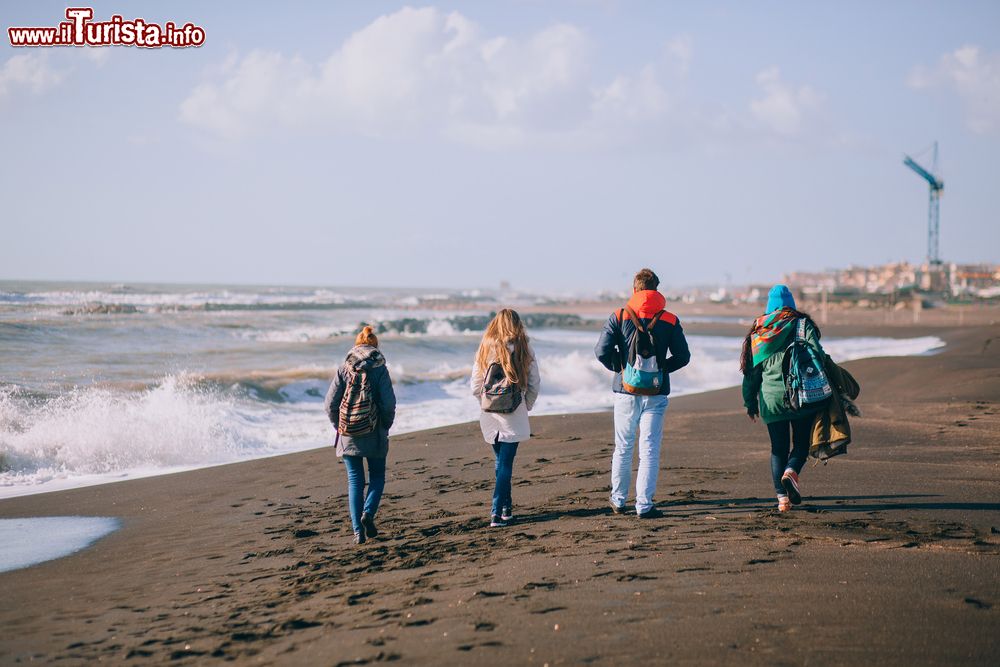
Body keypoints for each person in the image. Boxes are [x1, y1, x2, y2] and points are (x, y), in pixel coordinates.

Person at [595, 268, 690, 518]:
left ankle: (618, 500)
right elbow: (683, 356)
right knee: (649, 449)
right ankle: (644, 505)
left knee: (623, 447)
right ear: (657, 289)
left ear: (634, 289)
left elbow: (601, 351)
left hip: (625, 390)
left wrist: (620, 367)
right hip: (656, 393)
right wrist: (662, 370)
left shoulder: (619, 315)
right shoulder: (669, 319)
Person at [741, 285, 827, 512]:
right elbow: (817, 355)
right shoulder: (802, 324)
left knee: (778, 448)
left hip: (771, 401)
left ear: (769, 306)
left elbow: (751, 374)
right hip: (802, 396)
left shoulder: (759, 330)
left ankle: (782, 501)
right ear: (792, 304)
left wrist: (750, 403)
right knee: (800, 445)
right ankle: (791, 472)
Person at [324, 326, 397, 544]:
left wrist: (339, 425)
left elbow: (330, 404)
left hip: (348, 433)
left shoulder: (344, 367)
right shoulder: (380, 368)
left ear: (357, 344)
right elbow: (389, 403)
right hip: (374, 431)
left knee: (355, 480)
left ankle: (358, 532)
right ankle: (368, 514)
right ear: (375, 346)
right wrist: (386, 425)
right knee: (377, 477)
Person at [470, 309, 540, 528]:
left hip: (490, 414)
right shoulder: (523, 346)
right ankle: (496, 513)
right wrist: (525, 405)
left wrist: (487, 403)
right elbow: (534, 383)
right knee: (505, 464)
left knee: (501, 463)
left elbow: (475, 386)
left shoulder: (485, 346)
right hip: (514, 412)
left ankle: (506, 510)